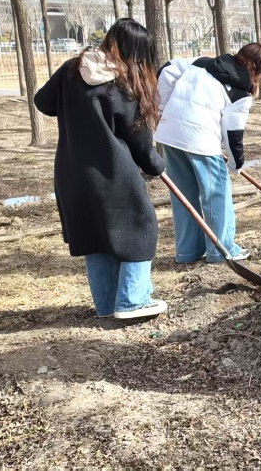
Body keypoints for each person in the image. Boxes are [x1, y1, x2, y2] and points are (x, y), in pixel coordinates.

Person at [34, 19, 168, 320]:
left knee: (95, 234)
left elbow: (43, 102)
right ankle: (133, 301)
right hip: (112, 173)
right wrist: (156, 166)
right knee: (141, 227)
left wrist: (74, 102)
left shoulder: (72, 69)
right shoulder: (124, 83)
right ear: (138, 53)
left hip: (72, 173)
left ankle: (106, 305)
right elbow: (139, 142)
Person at [155, 43, 261, 264]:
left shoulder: (201, 62)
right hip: (200, 139)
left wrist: (164, 108)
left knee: (184, 195)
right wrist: (236, 165)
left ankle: (188, 251)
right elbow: (233, 133)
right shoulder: (241, 90)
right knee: (216, 194)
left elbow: (168, 70)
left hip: (170, 133)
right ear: (256, 69)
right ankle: (222, 249)